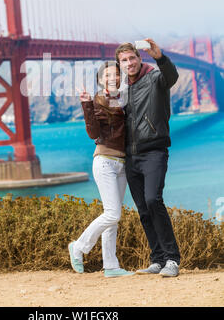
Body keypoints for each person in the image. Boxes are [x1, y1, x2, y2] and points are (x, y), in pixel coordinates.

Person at [116, 39, 181, 277]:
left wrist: (160, 57)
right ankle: (157, 259)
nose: (129, 63)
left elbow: (171, 77)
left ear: (139, 58)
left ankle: (172, 259)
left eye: (132, 58)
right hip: (131, 155)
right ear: (120, 64)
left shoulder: (155, 78)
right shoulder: (122, 90)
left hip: (154, 150)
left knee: (154, 200)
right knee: (143, 209)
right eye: (124, 60)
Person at [68, 61, 133, 278]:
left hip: (122, 164)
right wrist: (86, 104)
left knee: (112, 216)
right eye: (107, 75)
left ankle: (111, 266)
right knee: (113, 213)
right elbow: (93, 132)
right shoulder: (97, 99)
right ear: (100, 79)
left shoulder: (125, 99)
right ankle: (78, 247)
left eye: (116, 74)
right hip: (104, 160)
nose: (112, 78)